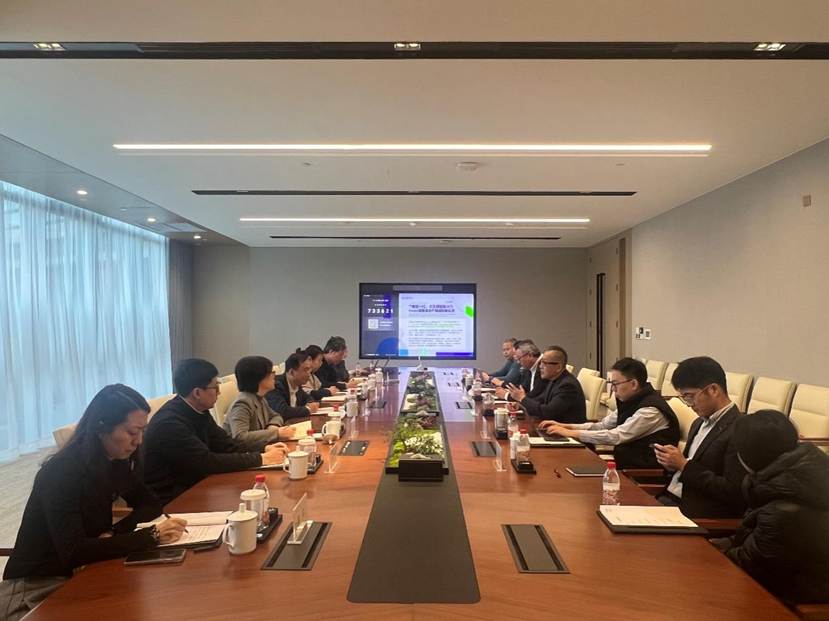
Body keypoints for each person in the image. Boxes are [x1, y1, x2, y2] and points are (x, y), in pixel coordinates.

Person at [1, 385, 187, 621]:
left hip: (81, 572)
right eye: (132, 432)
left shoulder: (113, 462)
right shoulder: (62, 471)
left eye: (142, 431)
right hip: (35, 587)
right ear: (101, 427)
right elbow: (73, 552)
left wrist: (114, 532)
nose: (139, 441)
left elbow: (150, 504)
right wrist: (150, 536)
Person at [712, 410, 829, 606]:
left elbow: (753, 565)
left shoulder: (784, 510)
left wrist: (708, 557)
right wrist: (723, 544)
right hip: (780, 580)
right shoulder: (795, 476)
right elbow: (759, 539)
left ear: (748, 455)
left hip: (790, 598)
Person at [142, 358, 288, 505]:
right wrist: (261, 459)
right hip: (173, 500)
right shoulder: (170, 424)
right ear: (197, 393)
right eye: (215, 387)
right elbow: (206, 462)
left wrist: (264, 448)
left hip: (199, 486)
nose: (219, 392)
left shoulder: (199, 410)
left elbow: (227, 444)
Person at [542, 357, 679, 467]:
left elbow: (617, 436)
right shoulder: (633, 400)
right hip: (625, 461)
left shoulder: (650, 410)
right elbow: (603, 426)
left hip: (641, 470)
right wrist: (566, 426)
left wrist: (572, 433)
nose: (612, 389)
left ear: (633, 384)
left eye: (615, 384)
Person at [653, 356, 745, 518]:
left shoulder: (739, 429)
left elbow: (732, 491)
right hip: (668, 500)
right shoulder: (698, 423)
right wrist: (672, 465)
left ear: (713, 390)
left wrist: (684, 465)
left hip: (696, 514)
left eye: (689, 396)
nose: (689, 404)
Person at [223, 355, 295, 451]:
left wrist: (273, 426)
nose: (274, 375)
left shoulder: (260, 398)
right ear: (258, 377)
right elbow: (240, 436)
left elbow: (276, 416)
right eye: (271, 372)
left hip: (259, 449)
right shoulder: (242, 403)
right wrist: (276, 433)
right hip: (244, 455)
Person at [513, 346, 586, 423]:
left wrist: (522, 398)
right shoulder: (554, 379)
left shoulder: (567, 386)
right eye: (541, 362)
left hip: (565, 429)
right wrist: (520, 405)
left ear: (559, 367)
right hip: (552, 425)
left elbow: (547, 413)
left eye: (544, 363)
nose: (540, 366)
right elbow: (540, 399)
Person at [267, 351, 321, 421]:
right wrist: (308, 409)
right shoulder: (276, 385)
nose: (309, 374)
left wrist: (311, 403)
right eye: (306, 370)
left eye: (309, 370)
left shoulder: (297, 384)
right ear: (291, 372)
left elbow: (307, 398)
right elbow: (282, 411)